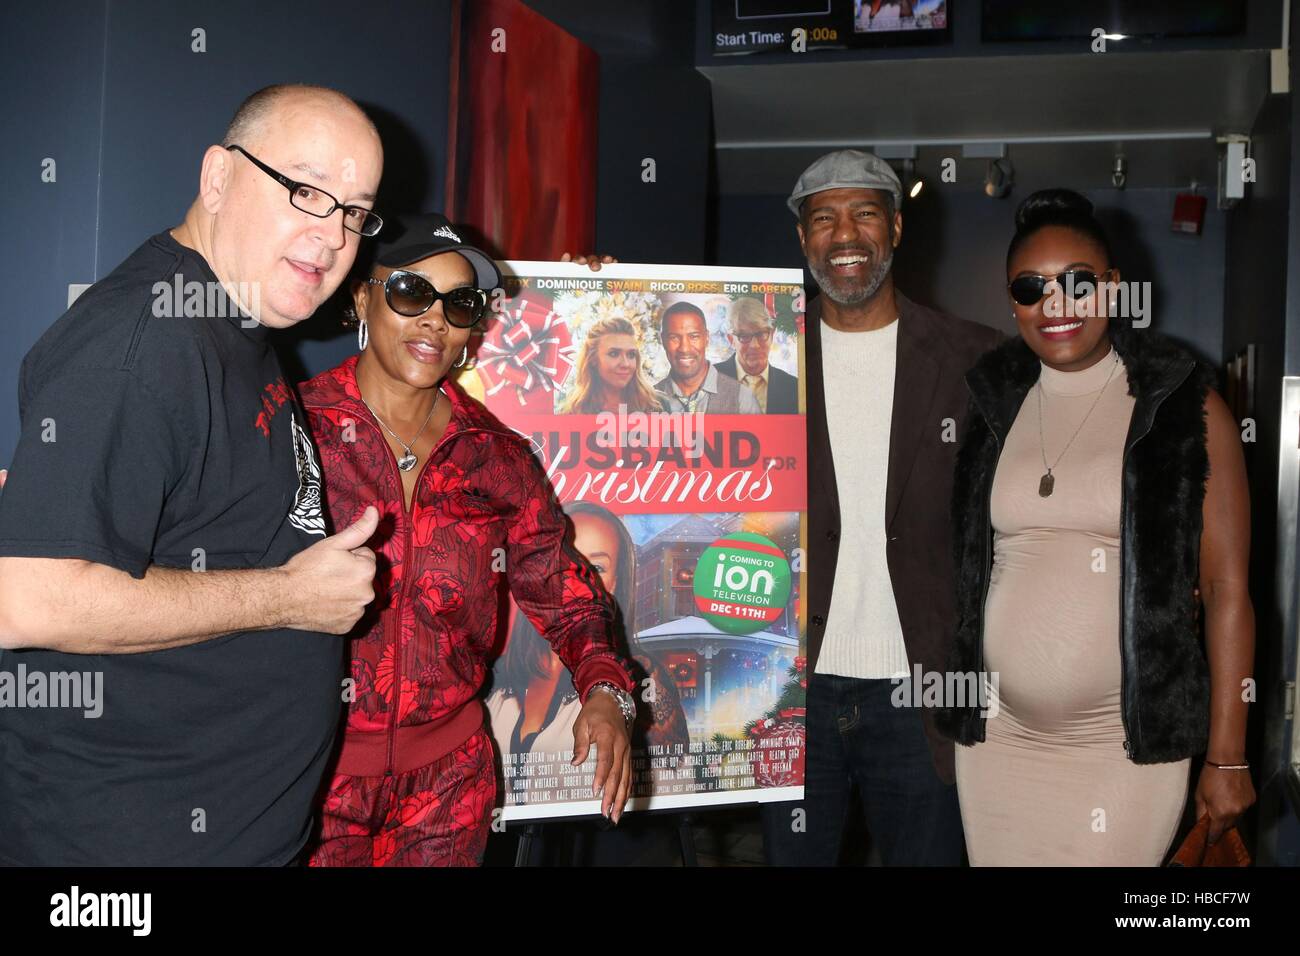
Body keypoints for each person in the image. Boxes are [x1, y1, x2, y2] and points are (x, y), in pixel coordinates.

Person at [0, 84, 383, 866]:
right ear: (217, 178)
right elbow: (25, 599)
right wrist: (291, 599)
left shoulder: (231, 318)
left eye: (353, 211)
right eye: (306, 191)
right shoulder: (144, 340)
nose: (332, 234)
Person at [300, 214, 639, 867]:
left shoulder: (499, 457)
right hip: (311, 782)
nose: (434, 319)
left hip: (448, 791)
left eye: (458, 304)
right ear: (363, 297)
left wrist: (605, 688)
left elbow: (564, 593)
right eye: (409, 293)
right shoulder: (295, 431)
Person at [936, 189, 1256, 865]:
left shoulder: (1183, 406)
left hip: (1122, 747)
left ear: (1113, 287)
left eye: (1077, 283)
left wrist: (1227, 758)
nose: (1055, 305)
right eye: (1031, 288)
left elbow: (1227, 588)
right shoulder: (991, 406)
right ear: (1012, 300)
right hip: (999, 742)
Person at [760, 149, 1003, 866]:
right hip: (790, 691)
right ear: (803, 239)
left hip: (922, 690)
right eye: (824, 218)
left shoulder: (976, 360)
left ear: (895, 228)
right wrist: (592, 282)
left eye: (865, 214)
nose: (846, 235)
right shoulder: (758, 362)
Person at [487, 501, 689, 771]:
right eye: (564, 560)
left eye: (596, 568)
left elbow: (671, 789)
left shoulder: (645, 678)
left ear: (616, 582)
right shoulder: (495, 674)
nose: (576, 580)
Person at [654, 302, 761, 415]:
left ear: (706, 338)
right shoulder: (646, 400)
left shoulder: (741, 398)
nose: (684, 348)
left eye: (694, 337)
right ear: (663, 340)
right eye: (674, 337)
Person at [560, 316, 664, 415]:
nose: (625, 364)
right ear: (593, 359)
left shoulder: (658, 405)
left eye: (631, 355)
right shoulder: (573, 412)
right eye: (614, 354)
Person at [715, 296, 799, 414]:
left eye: (761, 334)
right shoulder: (709, 380)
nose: (754, 345)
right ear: (731, 339)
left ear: (772, 334)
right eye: (744, 336)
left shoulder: (793, 388)